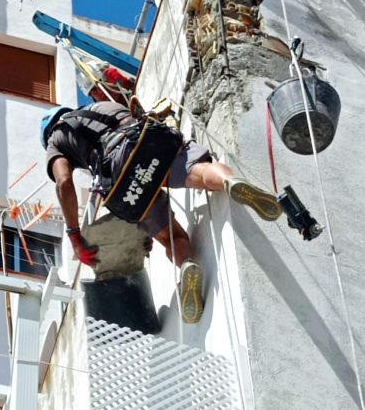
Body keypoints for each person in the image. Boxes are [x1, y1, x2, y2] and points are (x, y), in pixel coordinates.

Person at [41, 79, 281, 324]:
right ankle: (229, 183)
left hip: (122, 181)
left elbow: (64, 182)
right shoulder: (103, 105)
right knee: (199, 170)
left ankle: (188, 264)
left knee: (171, 238)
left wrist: (74, 235)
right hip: (144, 142)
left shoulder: (55, 140)